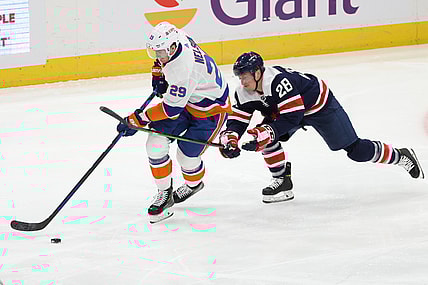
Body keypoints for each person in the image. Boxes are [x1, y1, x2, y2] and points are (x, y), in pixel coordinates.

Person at [219, 51, 425, 203]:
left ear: (257, 73)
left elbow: (293, 116)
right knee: (266, 139)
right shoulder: (243, 92)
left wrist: (267, 131)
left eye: (245, 75)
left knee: (355, 150)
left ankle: (401, 155)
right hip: (287, 111)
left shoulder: (278, 82)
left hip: (320, 106)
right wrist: (231, 138)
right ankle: (282, 181)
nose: (242, 81)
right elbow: (238, 120)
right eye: (240, 76)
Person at [117, 22, 231, 223]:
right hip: (188, 99)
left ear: (171, 47)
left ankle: (194, 184)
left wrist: (137, 119)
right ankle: (164, 193)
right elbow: (163, 65)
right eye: (155, 52)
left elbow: (170, 110)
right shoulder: (178, 37)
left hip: (210, 110)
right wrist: (158, 74)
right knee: (155, 144)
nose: (158, 56)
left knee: (186, 158)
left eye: (161, 52)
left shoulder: (183, 69)